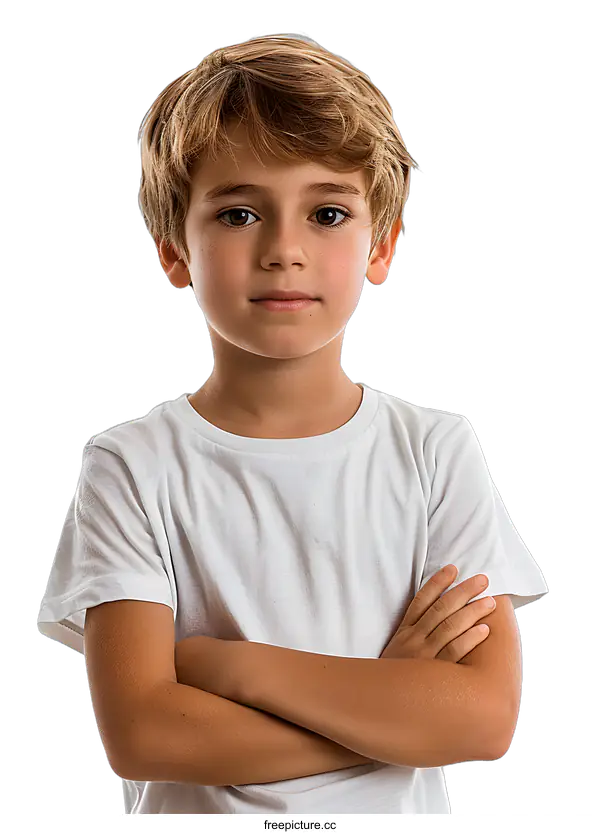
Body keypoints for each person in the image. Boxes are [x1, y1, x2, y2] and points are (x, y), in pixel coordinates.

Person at [36, 33, 549, 814]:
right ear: (175, 253)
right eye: (239, 213)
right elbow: (146, 735)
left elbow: (479, 720)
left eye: (328, 213)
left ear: (381, 245)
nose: (284, 250)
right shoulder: (134, 466)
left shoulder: (433, 455)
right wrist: (392, 703)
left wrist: (230, 669)